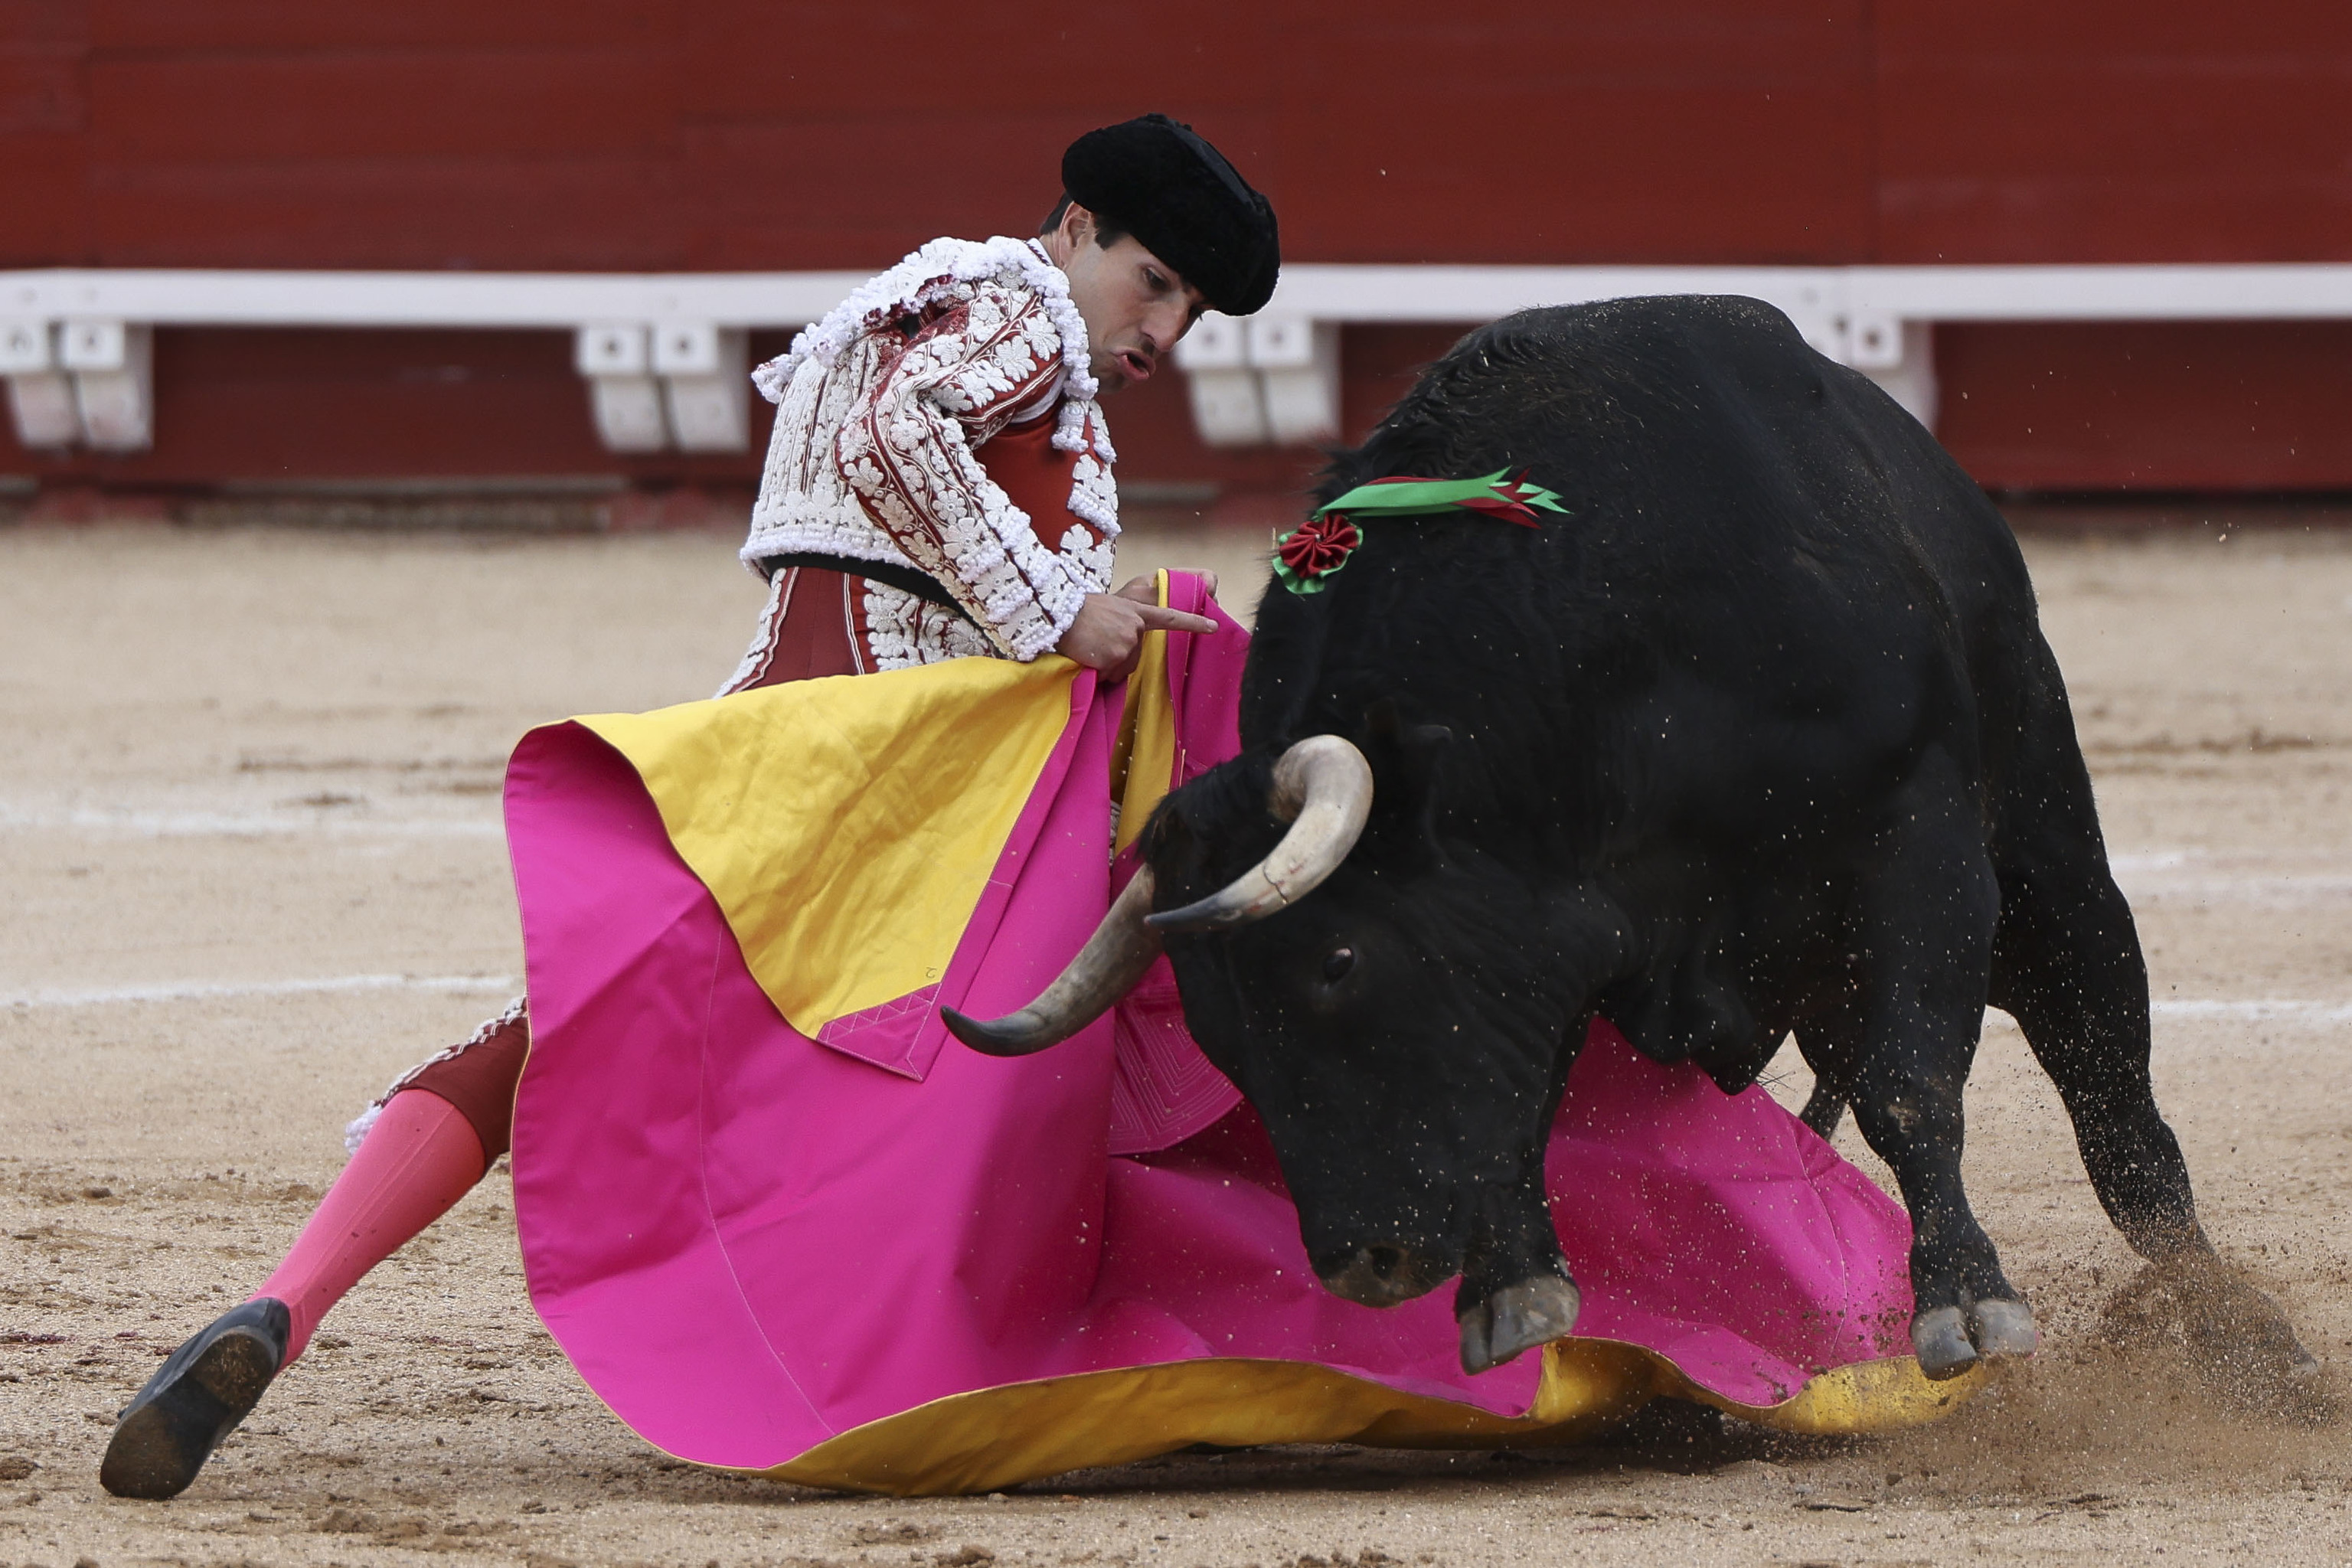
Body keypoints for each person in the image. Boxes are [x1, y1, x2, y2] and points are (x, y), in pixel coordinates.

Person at [101, 113, 1276, 1501]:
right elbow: (910, 435)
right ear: (1076, 227)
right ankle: (1122, 1343)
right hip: (887, 756)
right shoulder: (1014, 301)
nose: (1166, 330)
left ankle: (284, 1305)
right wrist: (1049, 610)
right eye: (1156, 283)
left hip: (792, 716)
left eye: (1194, 312)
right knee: (1037, 1038)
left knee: (568, 1033)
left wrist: (1100, 620)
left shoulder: (971, 323)